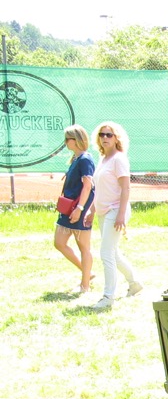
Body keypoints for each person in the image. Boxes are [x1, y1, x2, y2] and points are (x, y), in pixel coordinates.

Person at [90, 121, 142, 310]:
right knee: (114, 252)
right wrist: (92, 210)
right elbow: (99, 189)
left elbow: (125, 188)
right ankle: (135, 283)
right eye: (102, 134)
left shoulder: (119, 159)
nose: (104, 138)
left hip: (115, 210)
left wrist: (121, 214)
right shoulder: (103, 159)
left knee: (106, 254)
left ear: (116, 138)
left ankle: (108, 297)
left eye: (109, 135)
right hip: (104, 211)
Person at [54, 124, 95, 294]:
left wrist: (80, 209)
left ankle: (85, 285)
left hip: (78, 209)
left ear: (76, 140)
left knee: (83, 247)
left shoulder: (85, 159)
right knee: (59, 243)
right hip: (68, 208)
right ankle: (87, 274)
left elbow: (88, 186)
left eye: (67, 139)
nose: (65, 143)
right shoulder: (77, 158)